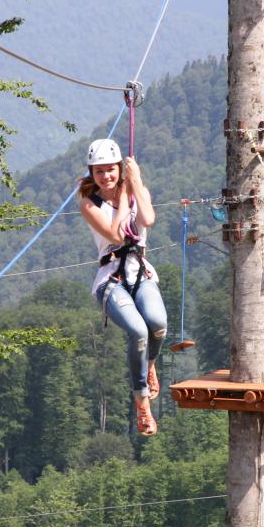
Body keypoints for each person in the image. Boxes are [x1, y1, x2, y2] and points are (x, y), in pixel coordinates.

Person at [79, 138, 167, 436]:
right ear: (92, 174)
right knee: (138, 331)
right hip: (110, 278)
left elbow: (148, 219)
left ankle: (150, 363)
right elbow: (116, 236)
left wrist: (136, 183)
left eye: (111, 170)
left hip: (140, 271)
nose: (105, 177)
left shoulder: (136, 191)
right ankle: (142, 401)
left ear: (120, 168)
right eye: (99, 172)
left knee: (157, 324)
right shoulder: (89, 204)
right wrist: (123, 196)